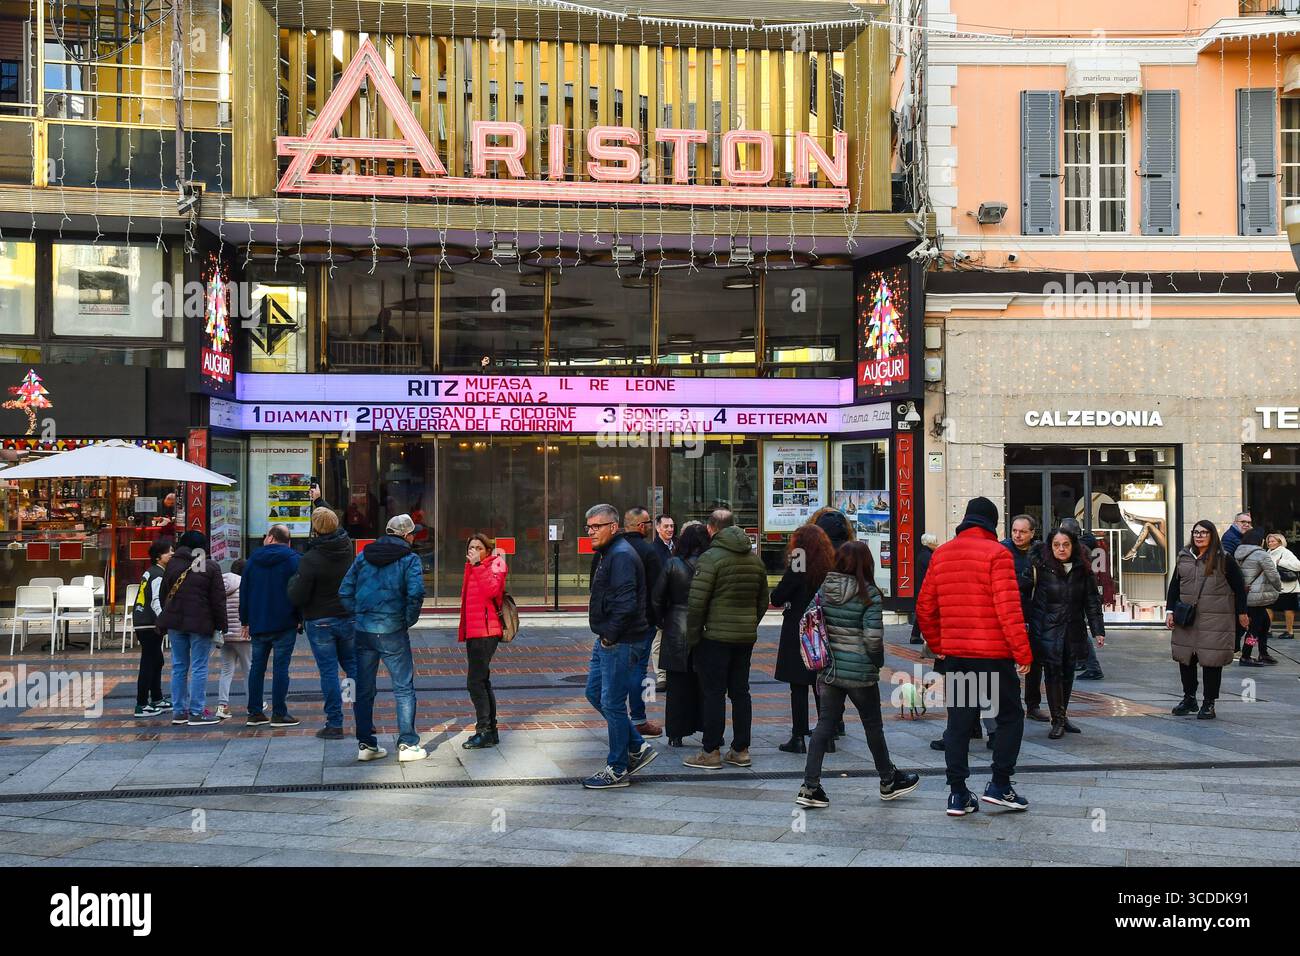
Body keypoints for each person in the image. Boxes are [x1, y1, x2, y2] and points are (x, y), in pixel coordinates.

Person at [916, 497, 1033, 817]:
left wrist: (939, 644)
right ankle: (999, 784)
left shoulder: (942, 554)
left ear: (966, 520)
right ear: (992, 524)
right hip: (993, 656)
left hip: (958, 656)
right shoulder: (998, 554)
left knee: (960, 723)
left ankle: (957, 793)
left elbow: (924, 607)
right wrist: (1023, 652)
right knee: (1010, 716)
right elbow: (1008, 609)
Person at [795, 542, 920, 809]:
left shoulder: (824, 589)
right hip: (860, 672)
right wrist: (877, 663)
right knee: (872, 726)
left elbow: (810, 621)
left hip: (829, 670)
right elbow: (873, 638)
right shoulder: (869, 594)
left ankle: (809, 786)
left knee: (824, 726)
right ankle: (888, 780)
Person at [683, 508, 769, 771]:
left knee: (714, 694)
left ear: (711, 529)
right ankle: (741, 749)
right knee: (741, 692)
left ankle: (711, 751)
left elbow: (697, 604)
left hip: (714, 637)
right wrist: (749, 623)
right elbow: (763, 601)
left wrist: (693, 636)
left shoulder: (711, 558)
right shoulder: (755, 560)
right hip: (744, 637)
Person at [340, 514, 429, 762]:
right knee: (403, 687)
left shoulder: (363, 557)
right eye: (413, 534)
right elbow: (416, 594)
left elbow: (344, 590)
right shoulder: (410, 560)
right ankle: (408, 744)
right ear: (405, 535)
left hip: (364, 630)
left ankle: (366, 745)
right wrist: (406, 620)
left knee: (364, 689)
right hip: (393, 630)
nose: (414, 537)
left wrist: (358, 614)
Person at [581, 503, 657, 789]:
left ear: (613, 527)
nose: (590, 531)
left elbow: (626, 604)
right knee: (594, 692)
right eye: (588, 527)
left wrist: (609, 636)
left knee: (612, 703)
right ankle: (637, 746)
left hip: (620, 640)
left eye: (596, 526)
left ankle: (617, 767)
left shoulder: (622, 555)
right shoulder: (608, 552)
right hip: (610, 639)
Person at [1020, 527, 1106, 740]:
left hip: (1072, 629)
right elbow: (1021, 593)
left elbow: (1092, 601)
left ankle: (1062, 715)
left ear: (1073, 546)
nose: (1061, 549)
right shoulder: (1039, 567)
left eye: (1065, 544)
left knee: (1068, 674)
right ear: (1050, 546)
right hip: (1046, 629)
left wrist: (1098, 630)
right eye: (1056, 545)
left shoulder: (1082, 569)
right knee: (1053, 673)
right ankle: (1057, 720)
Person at [287, 508, 358, 739]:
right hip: (347, 617)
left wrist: (292, 583)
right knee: (352, 669)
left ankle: (335, 723)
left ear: (315, 529)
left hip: (320, 620)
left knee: (328, 672)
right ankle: (362, 718)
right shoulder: (348, 549)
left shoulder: (311, 558)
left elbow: (298, 595)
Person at [1166, 521, 1248, 718]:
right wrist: (1170, 611)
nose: (1199, 536)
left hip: (1216, 619)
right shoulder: (1184, 557)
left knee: (1212, 661)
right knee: (1185, 658)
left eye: (1203, 532)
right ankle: (1189, 698)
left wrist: (1242, 613)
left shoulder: (1223, 559)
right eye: (1196, 532)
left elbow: (1239, 587)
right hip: (1187, 617)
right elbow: (1174, 586)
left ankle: (1209, 703)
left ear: (1212, 535)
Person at [770, 523, 836, 754]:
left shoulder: (799, 560)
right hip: (822, 627)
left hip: (798, 627)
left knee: (798, 686)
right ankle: (826, 737)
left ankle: (798, 736)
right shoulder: (830, 560)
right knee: (821, 685)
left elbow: (779, 595)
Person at [157, 531, 228, 726]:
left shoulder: (172, 564)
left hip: (175, 624)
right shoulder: (210, 566)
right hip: (200, 623)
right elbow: (218, 600)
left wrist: (170, 613)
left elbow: (164, 594)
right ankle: (197, 712)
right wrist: (222, 626)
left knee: (179, 666)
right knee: (199, 667)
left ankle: (179, 712)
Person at [652, 522, 710, 748]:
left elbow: (657, 598)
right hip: (705, 628)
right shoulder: (711, 563)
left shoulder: (672, 563)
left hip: (676, 627)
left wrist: (662, 622)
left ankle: (675, 733)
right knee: (706, 684)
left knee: (676, 685)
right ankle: (709, 728)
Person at [241, 524, 303, 728]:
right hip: (285, 622)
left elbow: (245, 591)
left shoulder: (252, 561)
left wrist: (245, 620)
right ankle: (279, 712)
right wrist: (300, 617)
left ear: (270, 538)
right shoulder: (294, 560)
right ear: (288, 541)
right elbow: (298, 591)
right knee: (281, 668)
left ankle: (255, 712)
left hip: (259, 621)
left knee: (256, 668)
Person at [617, 507, 664, 739]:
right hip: (643, 622)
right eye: (647, 522)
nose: (648, 526)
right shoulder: (647, 551)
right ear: (639, 526)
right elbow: (658, 590)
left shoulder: (613, 549)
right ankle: (639, 719)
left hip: (617, 624)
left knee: (617, 670)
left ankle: (619, 716)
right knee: (639, 670)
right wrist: (658, 618)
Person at [458, 532, 508, 750]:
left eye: (479, 547)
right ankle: (491, 730)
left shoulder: (496, 564)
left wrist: (478, 566)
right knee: (482, 681)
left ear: (487, 550)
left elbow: (492, 590)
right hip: (475, 631)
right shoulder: (471, 567)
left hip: (486, 632)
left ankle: (484, 730)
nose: (474, 552)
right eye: (471, 548)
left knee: (475, 682)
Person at [1001, 515, 1045, 719]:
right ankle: (1010, 704)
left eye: (1023, 532)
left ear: (1032, 533)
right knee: (1006, 661)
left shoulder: (1039, 552)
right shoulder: (1002, 550)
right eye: (1014, 531)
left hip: (1033, 613)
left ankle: (1033, 705)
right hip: (1008, 614)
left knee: (1035, 662)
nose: (1017, 535)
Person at [132, 538, 173, 718]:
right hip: (148, 622)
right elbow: (156, 600)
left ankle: (156, 697)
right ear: (158, 556)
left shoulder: (151, 572)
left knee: (157, 660)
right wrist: (163, 619)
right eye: (168, 551)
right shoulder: (158, 574)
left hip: (142, 620)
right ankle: (141, 704)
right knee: (149, 662)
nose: (172, 554)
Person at [1236, 527, 1282, 666]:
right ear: (1260, 541)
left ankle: (1263, 652)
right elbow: (1273, 574)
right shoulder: (1262, 555)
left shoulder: (1239, 552)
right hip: (1257, 596)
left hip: (1246, 594)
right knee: (1255, 628)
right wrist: (1279, 587)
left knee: (1265, 623)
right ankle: (1246, 655)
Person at [216, 559, 251, 721]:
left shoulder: (220, 586)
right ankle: (253, 704)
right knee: (249, 670)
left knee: (226, 670)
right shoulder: (246, 586)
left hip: (225, 635)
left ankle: (222, 706)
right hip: (243, 635)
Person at [650, 514, 676, 692]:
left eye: (672, 526)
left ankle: (674, 673)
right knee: (658, 640)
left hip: (677, 601)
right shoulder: (653, 550)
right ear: (658, 528)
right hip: (662, 602)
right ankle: (661, 676)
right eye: (666, 526)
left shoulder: (679, 546)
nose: (670, 530)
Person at [1266, 533, 1300, 639]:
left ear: (1280, 542)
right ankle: (1268, 630)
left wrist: (1281, 562)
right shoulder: (1268, 553)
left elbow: (1298, 565)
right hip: (1274, 586)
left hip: (1289, 587)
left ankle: (1289, 632)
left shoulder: (1285, 552)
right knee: (1268, 607)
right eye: (1269, 541)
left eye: (1273, 541)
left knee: (1288, 609)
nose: (1270, 543)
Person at [909, 533, 937, 644]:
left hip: (922, 587)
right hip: (926, 587)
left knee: (923, 612)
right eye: (935, 542)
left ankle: (915, 635)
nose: (937, 545)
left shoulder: (923, 554)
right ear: (929, 543)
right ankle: (917, 636)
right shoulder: (928, 556)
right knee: (927, 612)